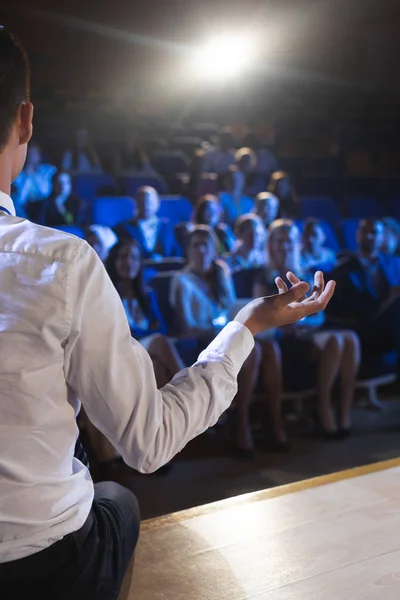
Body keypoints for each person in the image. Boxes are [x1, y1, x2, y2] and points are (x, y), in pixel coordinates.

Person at [0, 27, 335, 599]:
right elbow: (147, 443)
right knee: (116, 498)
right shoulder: (59, 262)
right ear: (25, 121)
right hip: (32, 568)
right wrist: (245, 326)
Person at [170, 225, 288, 453]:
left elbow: (232, 308)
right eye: (196, 245)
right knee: (254, 351)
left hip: (223, 334)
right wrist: (216, 328)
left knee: (271, 347)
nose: (202, 250)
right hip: (201, 339)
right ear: (189, 250)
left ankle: (275, 418)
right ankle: (242, 420)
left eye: (206, 245)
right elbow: (185, 325)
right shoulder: (181, 279)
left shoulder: (220, 273)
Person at [254, 219, 360, 436]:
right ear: (271, 244)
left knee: (350, 338)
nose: (285, 246)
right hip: (279, 337)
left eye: (289, 241)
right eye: (279, 241)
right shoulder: (262, 275)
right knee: (335, 341)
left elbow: (317, 314)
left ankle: (342, 413)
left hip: (306, 333)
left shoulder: (304, 271)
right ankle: (322, 410)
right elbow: (262, 314)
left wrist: (302, 319)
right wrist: (294, 320)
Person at [327, 218, 400, 377]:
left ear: (382, 237)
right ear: (357, 236)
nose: (369, 236)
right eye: (365, 232)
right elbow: (343, 307)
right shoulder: (343, 269)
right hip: (362, 325)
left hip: (389, 323)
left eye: (374, 232)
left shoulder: (393, 264)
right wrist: (389, 300)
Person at [115, 185, 178, 259]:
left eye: (150, 202)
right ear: (136, 204)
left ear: (157, 203)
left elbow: (176, 251)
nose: (146, 205)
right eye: (142, 202)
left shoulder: (168, 227)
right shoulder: (124, 228)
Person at [12, 141, 56, 218]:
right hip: (27, 207)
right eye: (29, 154)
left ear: (39, 155)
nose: (31, 156)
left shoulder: (47, 170)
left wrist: (34, 174)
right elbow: (21, 199)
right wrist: (28, 175)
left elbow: (45, 192)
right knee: (15, 203)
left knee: (45, 204)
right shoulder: (20, 174)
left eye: (34, 153)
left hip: (43, 205)